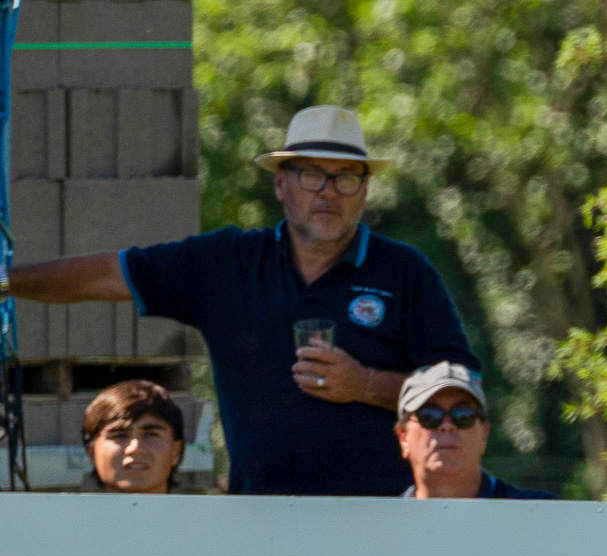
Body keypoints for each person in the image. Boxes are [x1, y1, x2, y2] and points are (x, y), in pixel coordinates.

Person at [0, 106, 479, 496]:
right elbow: (107, 274)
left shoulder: (405, 272)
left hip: (381, 514)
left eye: (346, 178)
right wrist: (5, 282)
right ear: (280, 184)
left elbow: (467, 391)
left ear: (365, 190)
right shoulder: (228, 263)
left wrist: (366, 382)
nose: (329, 192)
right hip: (257, 519)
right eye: (312, 175)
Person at [395, 362, 554, 500]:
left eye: (464, 415)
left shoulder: (542, 516)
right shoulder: (382, 527)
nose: (447, 425)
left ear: (484, 433)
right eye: (429, 415)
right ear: (403, 437)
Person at [82, 380, 186, 494]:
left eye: (151, 434)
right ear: (92, 453)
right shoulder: (65, 512)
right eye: (119, 435)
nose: (135, 449)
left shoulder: (204, 512)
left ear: (176, 451)